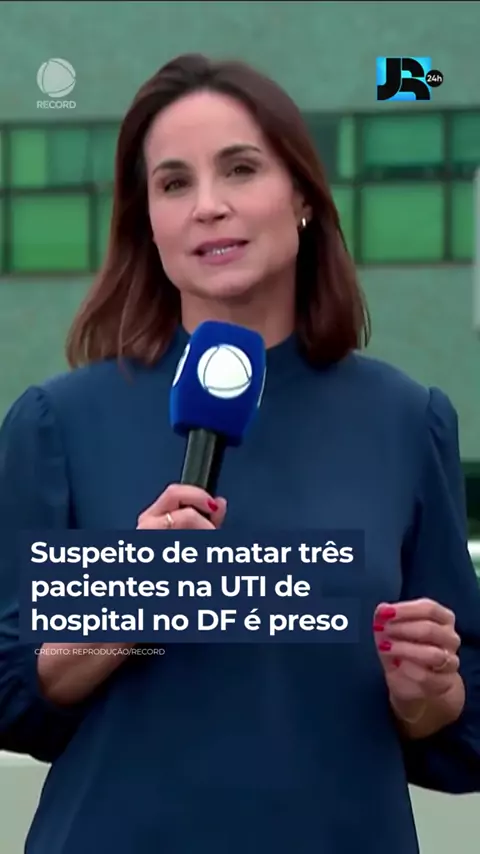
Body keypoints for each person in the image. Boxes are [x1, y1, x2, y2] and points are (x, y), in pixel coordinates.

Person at [0, 52, 479, 854]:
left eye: (241, 169)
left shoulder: (405, 420)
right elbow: (11, 692)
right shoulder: (59, 423)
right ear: (148, 222)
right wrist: (129, 601)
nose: (208, 206)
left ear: (302, 196)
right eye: (173, 183)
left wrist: (428, 694)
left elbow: (462, 720)